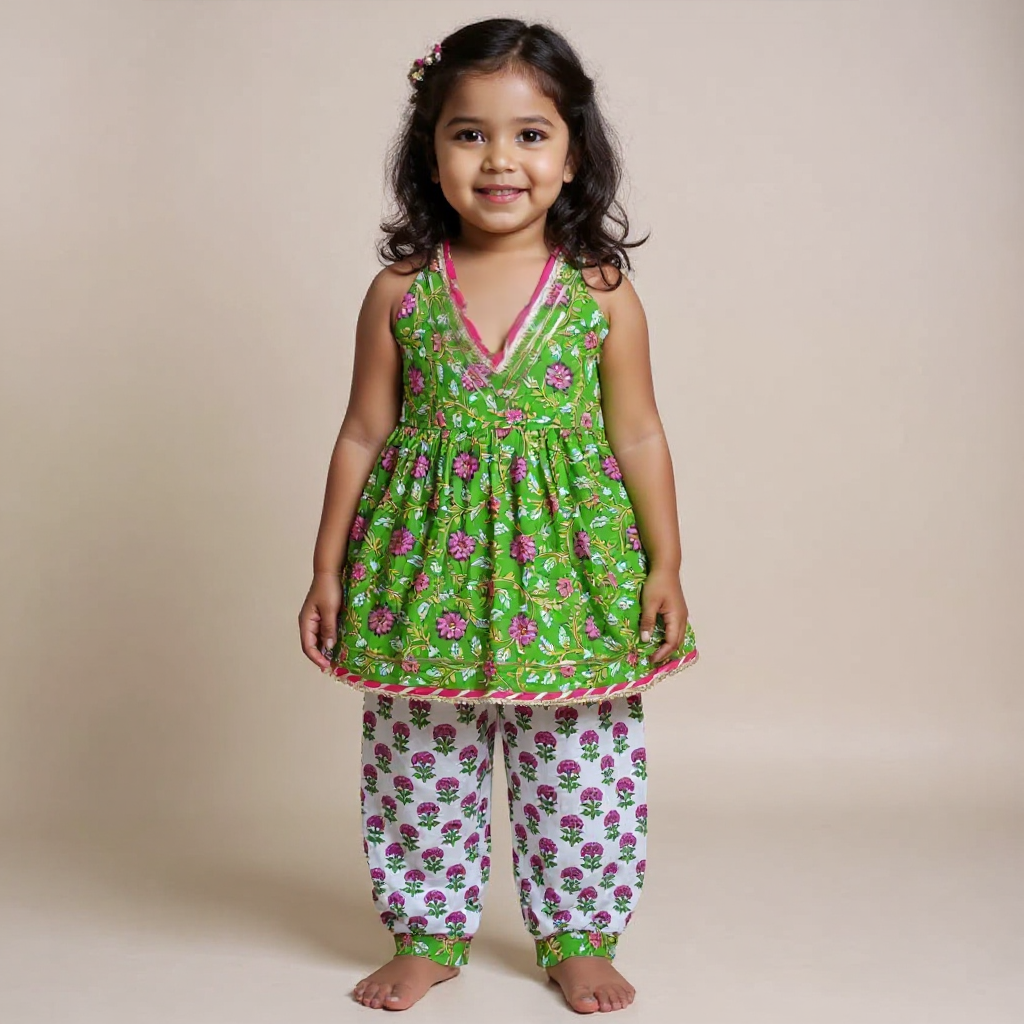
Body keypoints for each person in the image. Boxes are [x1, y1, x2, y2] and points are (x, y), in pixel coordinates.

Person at [298, 16, 699, 1014]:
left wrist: (665, 563)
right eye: (469, 133)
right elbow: (361, 432)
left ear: (573, 155)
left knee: (579, 759)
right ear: (429, 153)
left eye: (530, 134)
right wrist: (326, 568)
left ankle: (578, 934)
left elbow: (640, 433)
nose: (499, 159)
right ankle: (426, 931)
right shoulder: (399, 292)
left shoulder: (600, 293)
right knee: (418, 753)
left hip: (570, 573)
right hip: (420, 570)